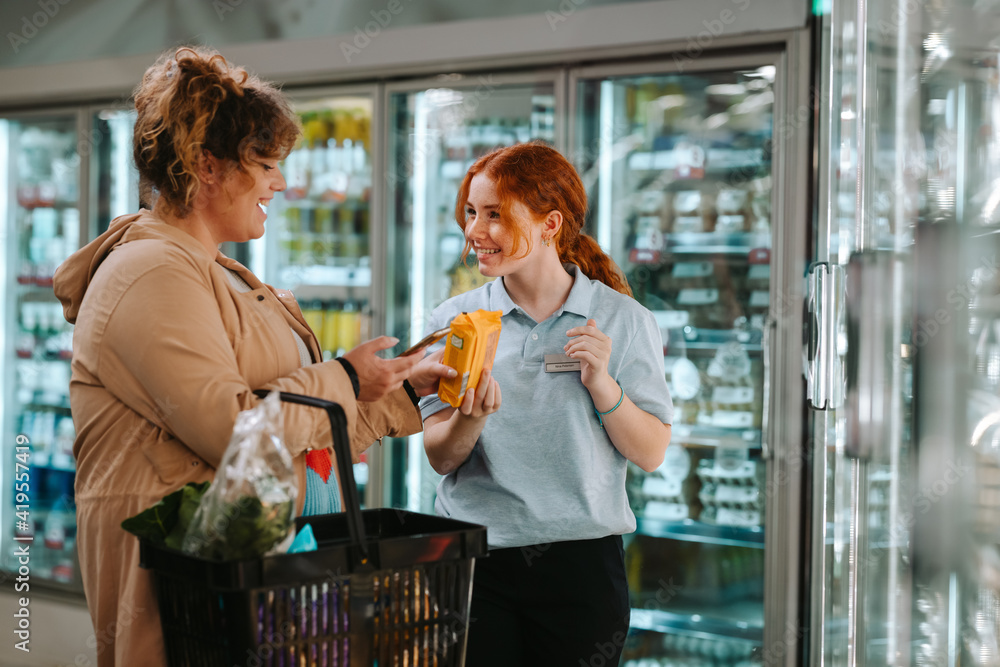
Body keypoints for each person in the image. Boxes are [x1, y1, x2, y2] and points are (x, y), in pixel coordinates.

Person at [52, 46, 453, 667]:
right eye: (265, 164)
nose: (280, 182)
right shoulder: (149, 274)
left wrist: (407, 393)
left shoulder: (221, 273)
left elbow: (302, 427)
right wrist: (345, 375)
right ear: (205, 167)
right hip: (190, 602)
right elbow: (235, 433)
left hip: (266, 588)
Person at [419, 141, 674, 666]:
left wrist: (604, 385)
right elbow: (441, 457)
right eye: (471, 212)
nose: (474, 231)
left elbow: (651, 452)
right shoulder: (454, 323)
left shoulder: (623, 321)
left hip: (580, 570)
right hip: (473, 562)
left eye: (494, 214)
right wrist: (471, 417)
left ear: (549, 224)